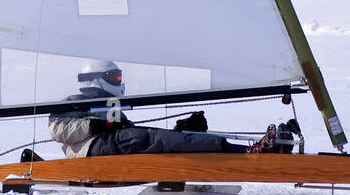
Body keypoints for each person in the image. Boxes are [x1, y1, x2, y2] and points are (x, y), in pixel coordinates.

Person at [46, 60, 297, 158]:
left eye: (119, 78)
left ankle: (249, 150)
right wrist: (96, 125)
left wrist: (181, 129)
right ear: (96, 78)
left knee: (165, 138)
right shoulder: (72, 101)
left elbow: (132, 135)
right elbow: (58, 130)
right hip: (91, 150)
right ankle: (250, 153)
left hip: (111, 143)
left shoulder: (110, 105)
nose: (118, 83)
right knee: (152, 138)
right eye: (114, 78)